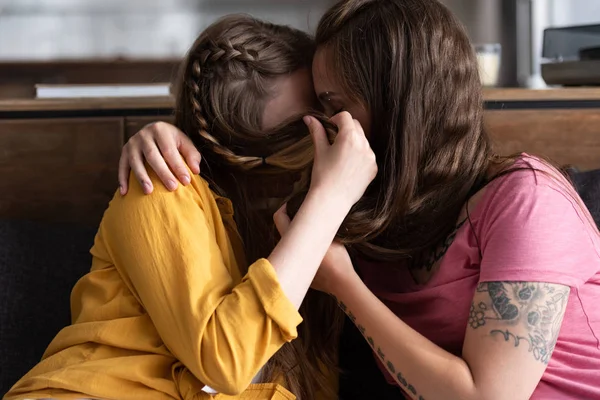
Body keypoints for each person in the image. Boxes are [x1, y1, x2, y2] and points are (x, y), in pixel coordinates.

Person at [120, 0, 600, 399]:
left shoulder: (526, 200)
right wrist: (173, 135)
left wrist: (345, 285)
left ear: (399, 107)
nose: (326, 127)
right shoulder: (362, 205)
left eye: (332, 105)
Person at [4, 15, 377, 400]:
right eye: (304, 130)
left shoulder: (308, 232)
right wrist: (329, 200)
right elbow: (226, 362)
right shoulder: (160, 185)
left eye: (329, 111)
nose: (331, 137)